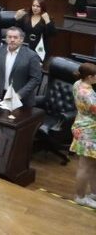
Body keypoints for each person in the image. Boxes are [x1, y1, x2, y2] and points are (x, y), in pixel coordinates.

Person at [0, 27, 42, 108]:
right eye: (9, 37)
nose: (12, 40)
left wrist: (19, 95)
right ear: (6, 39)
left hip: (22, 101)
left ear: (21, 40)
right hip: (1, 95)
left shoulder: (31, 56)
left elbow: (36, 79)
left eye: (15, 37)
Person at [70, 62, 96, 208]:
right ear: (90, 77)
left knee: (92, 163)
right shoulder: (88, 94)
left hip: (82, 123)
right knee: (85, 165)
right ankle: (80, 196)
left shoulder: (77, 83)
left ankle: (94, 193)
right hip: (88, 130)